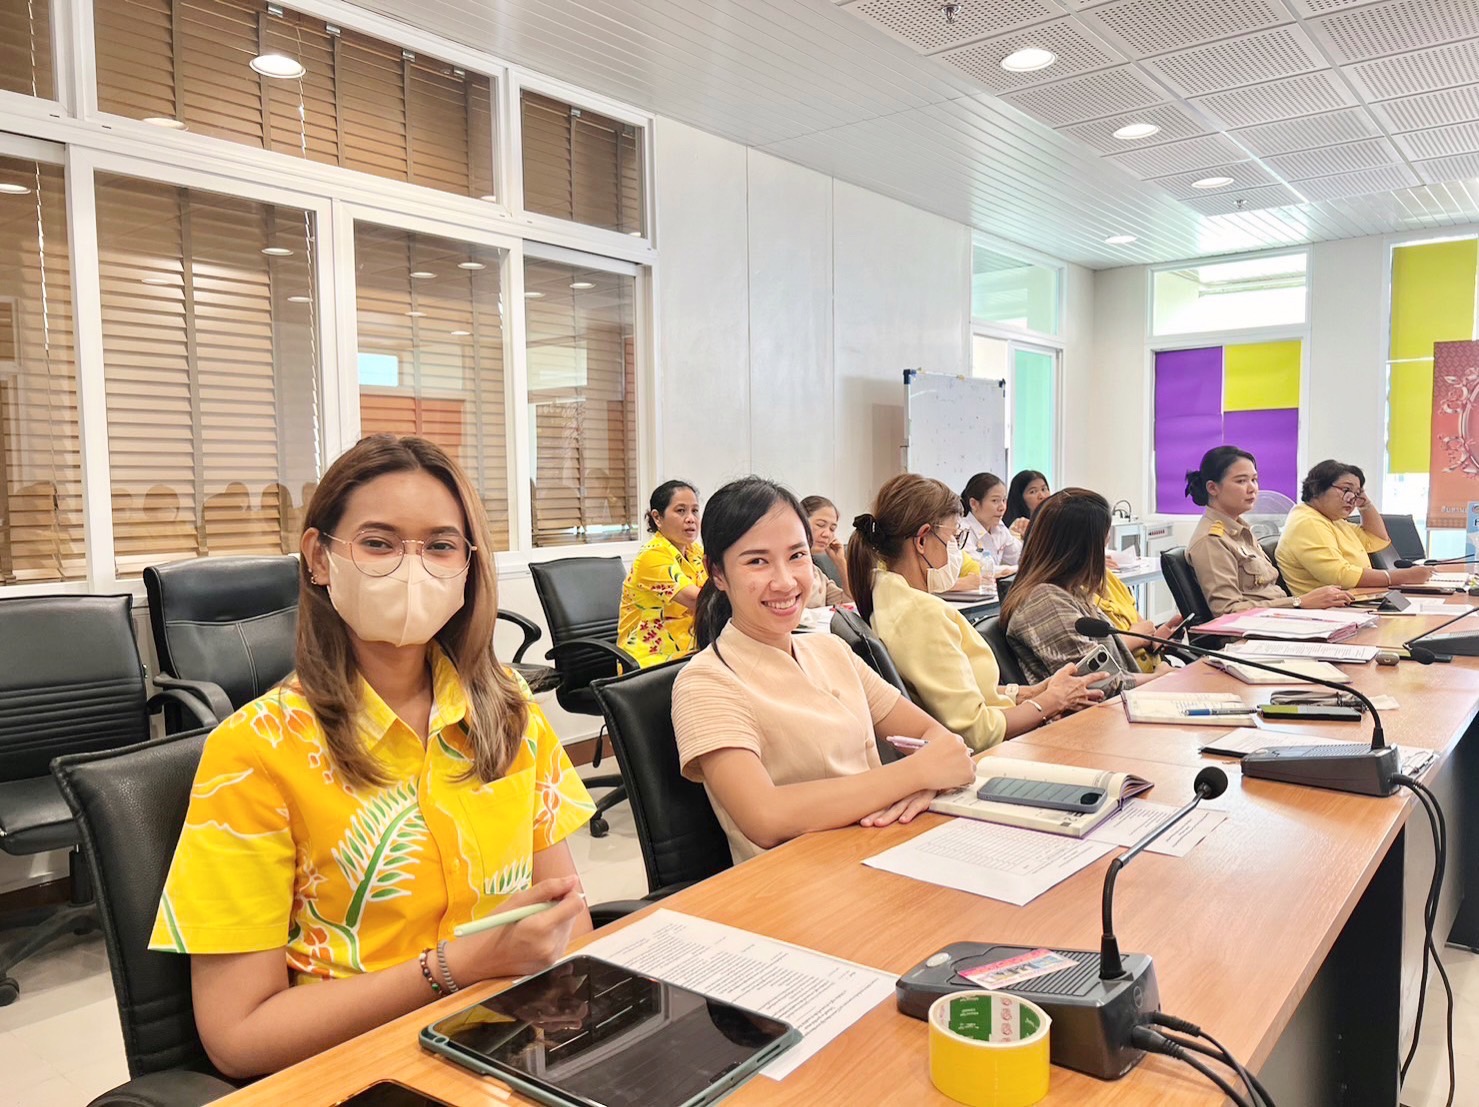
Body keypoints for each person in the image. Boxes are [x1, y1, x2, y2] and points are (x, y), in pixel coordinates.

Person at [149, 434, 594, 1079]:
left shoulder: (508, 710)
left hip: (508, 1047)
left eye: (440, 545)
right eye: (379, 543)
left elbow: (562, 912)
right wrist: (453, 968)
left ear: (467, 565)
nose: (412, 569)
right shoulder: (255, 751)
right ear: (319, 558)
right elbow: (238, 1037)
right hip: (356, 1069)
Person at [671, 477, 978, 863]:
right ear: (717, 573)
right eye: (757, 561)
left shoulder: (830, 648)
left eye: (797, 556)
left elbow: (939, 740)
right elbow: (766, 816)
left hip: (887, 853)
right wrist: (916, 775)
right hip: (800, 887)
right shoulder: (706, 681)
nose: (784, 581)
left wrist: (927, 777)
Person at [848, 474, 1101, 752]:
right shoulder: (921, 614)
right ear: (922, 540)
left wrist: (1034, 692)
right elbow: (977, 732)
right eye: (954, 537)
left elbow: (964, 691)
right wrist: (1050, 702)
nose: (958, 549)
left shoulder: (889, 596)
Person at [1001, 488, 1163, 695]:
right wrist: (1161, 678)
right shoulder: (1045, 601)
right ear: (1083, 549)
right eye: (1104, 541)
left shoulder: (1069, 591)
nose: (1105, 549)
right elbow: (1098, 683)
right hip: (1096, 718)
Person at [1184, 446, 1352, 615]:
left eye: (1254, 480)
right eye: (1241, 481)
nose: (1252, 488)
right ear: (1213, 488)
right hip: (1254, 633)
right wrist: (1298, 602)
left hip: (1281, 620)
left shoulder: (1241, 531)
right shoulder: (1212, 540)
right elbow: (1227, 611)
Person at [1275, 460, 1434, 596]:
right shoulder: (1307, 522)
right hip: (1330, 611)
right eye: (1346, 490)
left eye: (1356, 493)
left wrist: (1366, 505)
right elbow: (1339, 575)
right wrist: (1400, 577)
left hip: (1355, 603)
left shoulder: (1335, 521)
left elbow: (1378, 540)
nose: (1352, 499)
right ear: (1317, 488)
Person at [618, 480, 707, 666]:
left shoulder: (695, 552)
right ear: (657, 518)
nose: (691, 518)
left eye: (695, 511)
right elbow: (699, 600)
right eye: (681, 511)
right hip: (650, 660)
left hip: (690, 652)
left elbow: (720, 586)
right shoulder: (652, 556)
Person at [1094, 568, 1184, 673]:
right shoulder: (1074, 599)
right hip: (1131, 682)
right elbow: (1094, 658)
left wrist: (1155, 640)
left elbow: (1143, 628)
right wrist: (1135, 638)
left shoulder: (1108, 577)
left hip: (1157, 669)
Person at [960, 471, 1022, 571]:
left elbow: (1020, 557)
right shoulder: (962, 530)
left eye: (1004, 500)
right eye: (995, 501)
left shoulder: (999, 527)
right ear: (974, 504)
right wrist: (1013, 569)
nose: (1002, 507)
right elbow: (981, 569)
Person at [803, 494, 850, 597]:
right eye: (820, 525)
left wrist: (840, 562)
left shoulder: (818, 574)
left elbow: (849, 600)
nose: (827, 534)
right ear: (800, 522)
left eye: (832, 529)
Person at [1004, 470, 1050, 538]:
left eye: (1043, 489)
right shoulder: (1017, 527)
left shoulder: (1055, 520)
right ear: (1019, 498)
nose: (1042, 496)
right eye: (1033, 492)